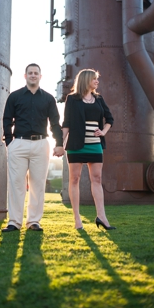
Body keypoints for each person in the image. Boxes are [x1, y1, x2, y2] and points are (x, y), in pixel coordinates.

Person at [1, 63, 65, 232]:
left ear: (40, 76)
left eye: (36, 73)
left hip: (41, 144)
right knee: (16, 184)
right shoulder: (14, 97)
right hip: (18, 143)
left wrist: (59, 143)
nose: (33, 75)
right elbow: (7, 120)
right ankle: (14, 222)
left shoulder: (49, 99)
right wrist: (10, 142)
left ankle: (33, 222)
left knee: (38, 185)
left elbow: (55, 123)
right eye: (30, 73)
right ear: (25, 76)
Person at [62, 69, 115, 230]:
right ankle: (77, 219)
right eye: (94, 79)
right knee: (75, 179)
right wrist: (61, 144)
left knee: (97, 179)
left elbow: (109, 118)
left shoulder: (99, 99)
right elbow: (67, 123)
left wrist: (103, 132)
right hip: (76, 144)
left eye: (97, 79)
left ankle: (102, 217)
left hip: (95, 144)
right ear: (86, 80)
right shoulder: (72, 99)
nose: (97, 81)